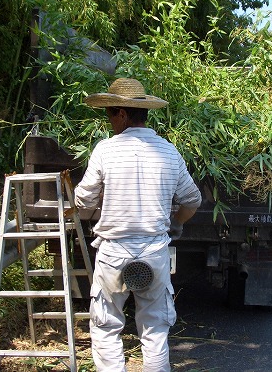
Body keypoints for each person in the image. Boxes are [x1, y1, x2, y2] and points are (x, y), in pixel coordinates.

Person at [74, 77, 202, 372]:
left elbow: (83, 201)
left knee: (106, 327)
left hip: (113, 254)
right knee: (155, 329)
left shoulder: (105, 150)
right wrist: (176, 224)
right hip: (154, 252)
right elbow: (192, 200)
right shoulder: (169, 153)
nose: (109, 121)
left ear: (122, 114)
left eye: (110, 113)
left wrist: (97, 201)